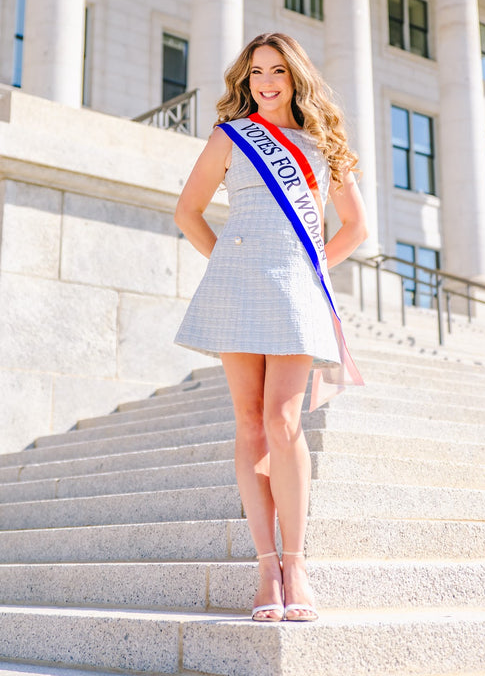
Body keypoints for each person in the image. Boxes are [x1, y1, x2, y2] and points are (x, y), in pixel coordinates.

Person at [174, 32, 368, 623]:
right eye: (256, 71)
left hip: (294, 291)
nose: (265, 81)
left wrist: (314, 268)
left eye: (277, 71)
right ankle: (266, 568)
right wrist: (230, 262)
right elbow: (188, 210)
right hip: (238, 289)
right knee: (250, 421)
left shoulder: (320, 144)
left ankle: (296, 564)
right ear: (245, 79)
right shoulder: (229, 137)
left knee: (285, 421)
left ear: (295, 77)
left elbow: (356, 227)